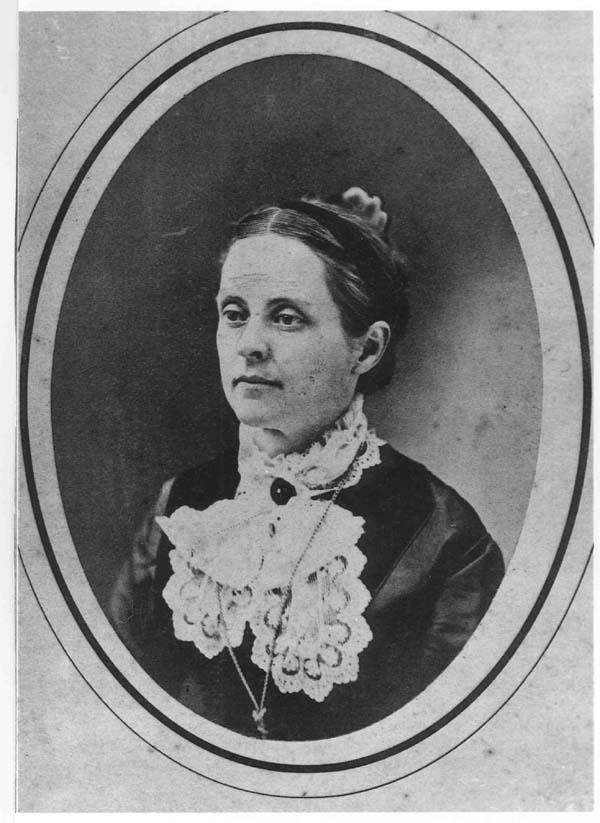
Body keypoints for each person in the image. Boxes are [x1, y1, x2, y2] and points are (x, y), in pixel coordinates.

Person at [109, 187, 504, 741]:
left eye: (287, 318)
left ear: (365, 349)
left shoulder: (445, 537)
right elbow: (114, 717)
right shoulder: (179, 507)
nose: (250, 344)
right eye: (234, 314)